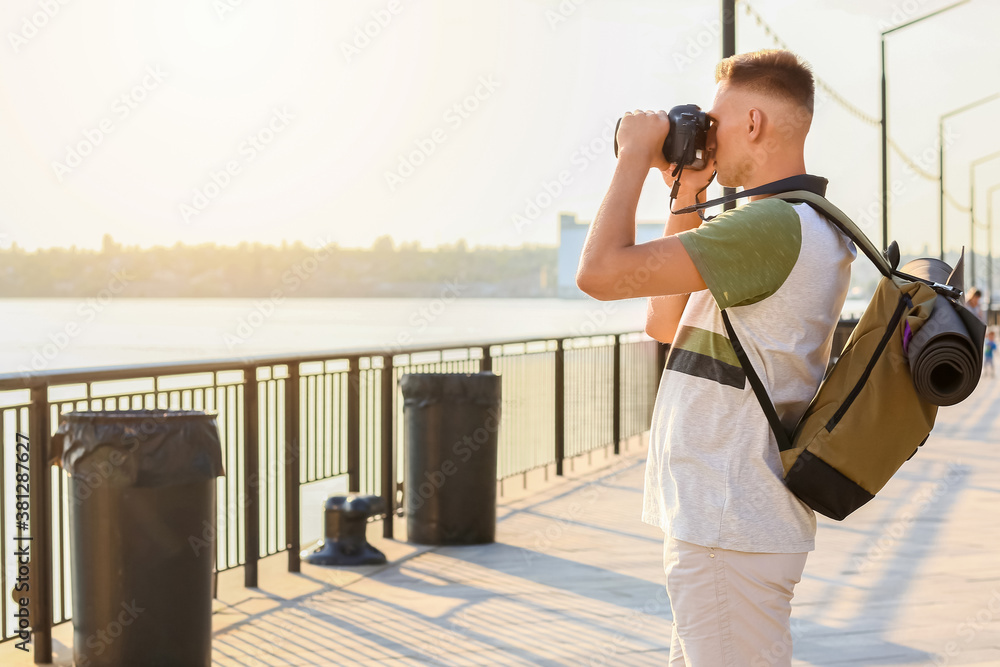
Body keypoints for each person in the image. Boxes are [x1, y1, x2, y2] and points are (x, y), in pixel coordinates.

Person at [575, 49, 856, 666]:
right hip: (724, 520)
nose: (705, 134)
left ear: (753, 123)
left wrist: (631, 155)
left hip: (731, 520)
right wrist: (685, 193)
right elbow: (664, 321)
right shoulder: (791, 222)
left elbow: (598, 273)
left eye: (717, 120)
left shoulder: (771, 227)